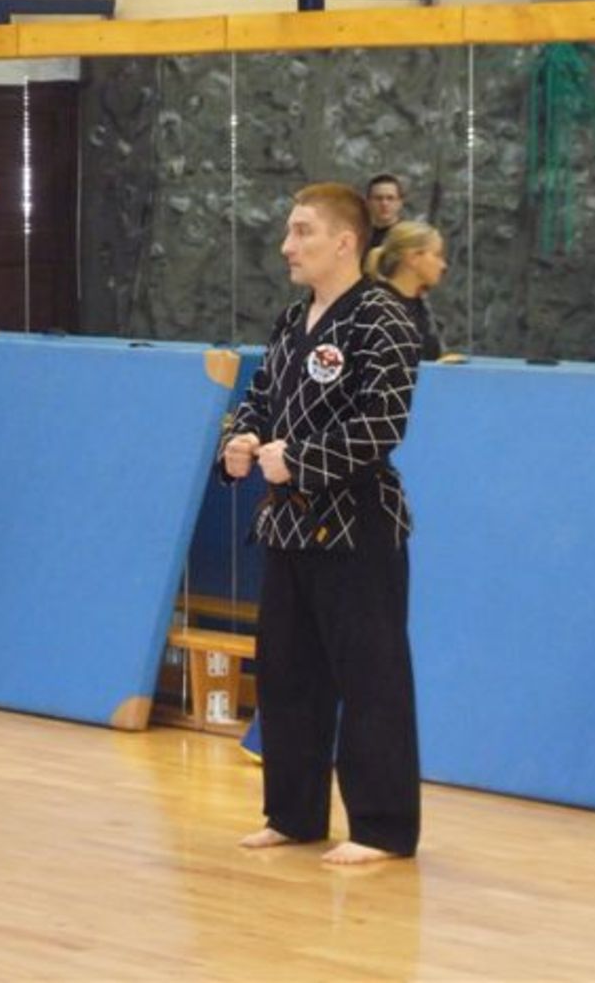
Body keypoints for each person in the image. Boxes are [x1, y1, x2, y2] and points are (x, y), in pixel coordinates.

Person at [221, 182, 422, 866]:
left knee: (371, 680)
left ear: (345, 242)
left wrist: (300, 460)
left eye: (302, 231)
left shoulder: (384, 318)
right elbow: (260, 397)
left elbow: (381, 426)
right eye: (288, 231)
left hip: (359, 525)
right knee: (287, 676)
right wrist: (241, 443)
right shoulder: (290, 320)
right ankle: (293, 814)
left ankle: (382, 827)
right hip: (287, 527)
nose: (287, 245)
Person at [366, 220, 448, 361]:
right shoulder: (379, 309)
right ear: (413, 258)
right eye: (437, 255)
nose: (443, 265)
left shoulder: (422, 306)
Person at [365, 173, 405, 253]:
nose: (384, 203)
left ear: (400, 202)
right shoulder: (359, 237)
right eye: (378, 198)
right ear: (368, 202)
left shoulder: (408, 237)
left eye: (390, 198)